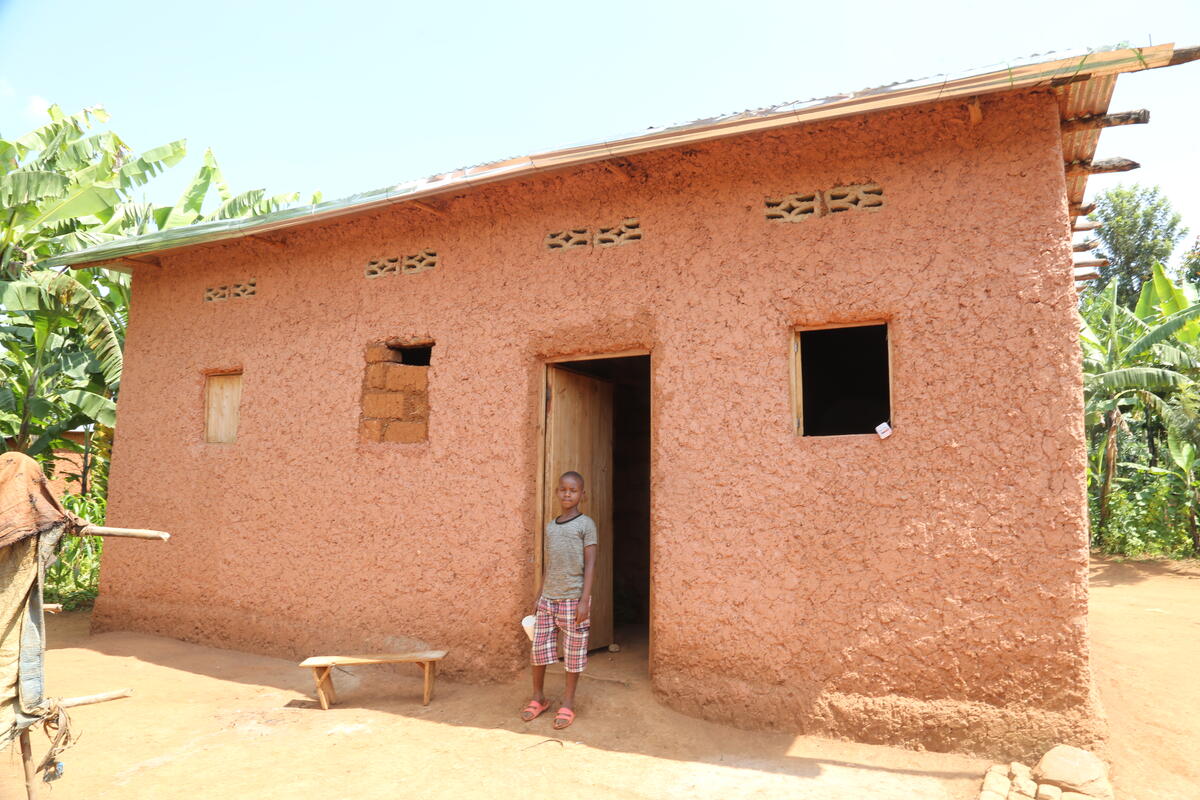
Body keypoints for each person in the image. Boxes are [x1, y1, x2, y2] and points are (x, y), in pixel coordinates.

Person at [521, 470, 597, 730]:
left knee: (573, 653)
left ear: (582, 495)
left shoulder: (586, 525)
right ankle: (538, 697)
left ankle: (567, 701)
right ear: (557, 492)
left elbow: (590, 565)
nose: (567, 494)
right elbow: (549, 564)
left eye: (573, 490)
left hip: (573, 599)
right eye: (563, 489)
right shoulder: (551, 526)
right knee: (538, 650)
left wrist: (584, 599)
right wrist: (539, 593)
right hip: (549, 599)